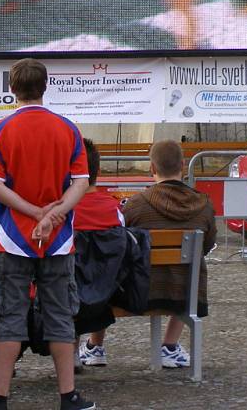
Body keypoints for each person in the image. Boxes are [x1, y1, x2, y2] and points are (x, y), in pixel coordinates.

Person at [0, 58, 93, 410]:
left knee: (10, 317)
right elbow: (81, 183)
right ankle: (68, 395)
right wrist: (54, 214)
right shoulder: (68, 129)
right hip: (57, 240)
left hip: (14, 238)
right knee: (60, 315)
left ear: (12, 88)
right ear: (45, 86)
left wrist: (32, 212)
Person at [122, 139, 217, 368]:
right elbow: (205, 246)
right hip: (185, 292)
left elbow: (120, 245)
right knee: (187, 272)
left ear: (152, 168)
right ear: (183, 165)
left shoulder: (136, 205)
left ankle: (95, 346)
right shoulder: (204, 205)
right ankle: (170, 345)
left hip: (140, 289)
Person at [72, 138, 126, 368]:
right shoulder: (114, 209)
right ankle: (97, 346)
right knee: (103, 269)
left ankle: (72, 352)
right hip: (106, 292)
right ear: (98, 170)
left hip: (67, 293)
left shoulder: (63, 210)